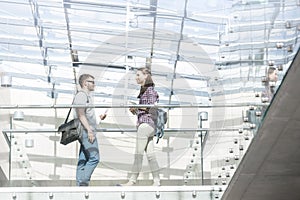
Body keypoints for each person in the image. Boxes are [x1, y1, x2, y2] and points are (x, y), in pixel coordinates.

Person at [121, 67, 161, 186]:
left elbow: (150, 107)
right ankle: (157, 181)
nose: (136, 77)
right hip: (147, 124)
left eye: (138, 75)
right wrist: (136, 110)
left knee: (138, 154)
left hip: (145, 125)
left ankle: (132, 180)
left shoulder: (150, 91)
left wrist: (137, 107)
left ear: (146, 75)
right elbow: (145, 109)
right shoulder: (145, 91)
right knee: (150, 156)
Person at [73, 74, 106, 186]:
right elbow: (81, 114)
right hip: (85, 131)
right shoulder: (81, 95)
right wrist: (89, 131)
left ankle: (80, 186)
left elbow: (86, 114)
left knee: (84, 158)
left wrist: (98, 119)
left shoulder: (86, 96)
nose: (94, 84)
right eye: (92, 81)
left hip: (86, 130)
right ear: (85, 83)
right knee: (94, 158)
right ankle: (83, 182)